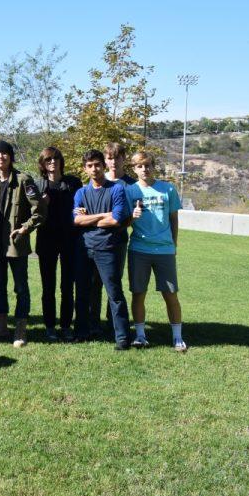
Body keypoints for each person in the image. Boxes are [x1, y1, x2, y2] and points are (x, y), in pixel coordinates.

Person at [0, 141, 45, 347]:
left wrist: (25, 228)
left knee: (21, 287)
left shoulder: (23, 179)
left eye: (4, 153)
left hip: (15, 243)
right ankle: (1, 329)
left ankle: (20, 331)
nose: (0, 156)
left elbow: (40, 211)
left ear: (11, 156)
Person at [125, 151, 186, 351]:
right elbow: (124, 222)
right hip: (138, 249)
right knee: (138, 293)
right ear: (134, 169)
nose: (145, 169)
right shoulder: (130, 191)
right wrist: (132, 217)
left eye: (148, 165)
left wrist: (174, 244)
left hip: (164, 251)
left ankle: (177, 337)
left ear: (153, 166)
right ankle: (141, 335)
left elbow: (174, 219)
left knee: (170, 294)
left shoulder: (167, 188)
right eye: (140, 166)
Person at [72, 149, 132, 350]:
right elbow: (77, 220)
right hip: (84, 249)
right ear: (85, 169)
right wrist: (102, 216)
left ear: (103, 166)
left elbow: (116, 219)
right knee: (82, 292)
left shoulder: (116, 189)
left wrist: (90, 218)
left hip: (108, 248)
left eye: (97, 164)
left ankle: (122, 337)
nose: (94, 168)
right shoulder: (81, 192)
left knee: (114, 293)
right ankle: (81, 332)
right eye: (90, 165)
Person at [34, 146, 82, 343]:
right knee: (48, 287)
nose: (52, 162)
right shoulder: (38, 185)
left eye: (55, 159)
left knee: (67, 287)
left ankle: (65, 326)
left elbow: (81, 208)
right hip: (46, 240)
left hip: (69, 240)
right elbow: (32, 214)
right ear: (43, 164)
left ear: (61, 161)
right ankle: (50, 326)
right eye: (48, 160)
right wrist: (42, 203)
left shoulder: (73, 183)